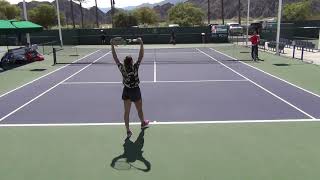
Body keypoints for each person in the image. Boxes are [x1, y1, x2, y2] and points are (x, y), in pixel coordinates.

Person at [110, 37, 149, 137]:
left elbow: (115, 58)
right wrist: (141, 43)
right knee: (139, 109)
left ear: (125, 62)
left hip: (126, 90)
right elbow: (141, 56)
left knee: (126, 112)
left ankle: (128, 131)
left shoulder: (122, 68)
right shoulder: (135, 67)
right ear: (131, 62)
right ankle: (143, 123)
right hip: (135, 91)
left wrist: (112, 45)